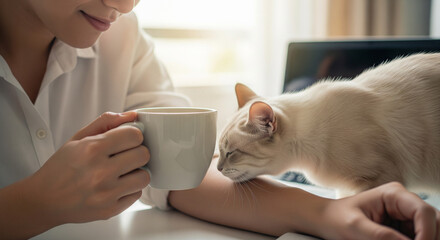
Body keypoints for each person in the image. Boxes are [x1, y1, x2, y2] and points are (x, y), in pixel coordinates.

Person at [0, 0, 438, 239]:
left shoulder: (122, 38)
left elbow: (179, 173)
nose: (127, 4)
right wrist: (35, 204)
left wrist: (328, 214)